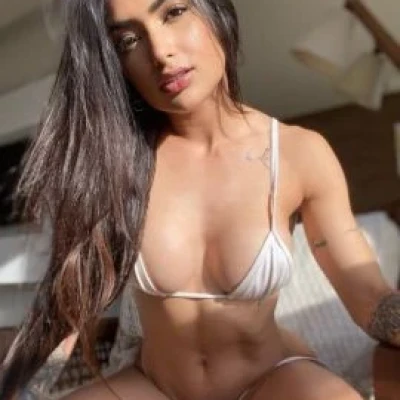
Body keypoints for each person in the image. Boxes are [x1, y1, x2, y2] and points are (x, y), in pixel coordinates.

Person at [1, 0, 399, 399]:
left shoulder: (300, 154)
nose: (160, 52)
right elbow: (68, 311)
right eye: (128, 40)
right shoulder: (117, 166)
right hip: (155, 385)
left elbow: (368, 296)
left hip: (268, 381)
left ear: (216, 12)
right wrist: (22, 391)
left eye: (173, 13)